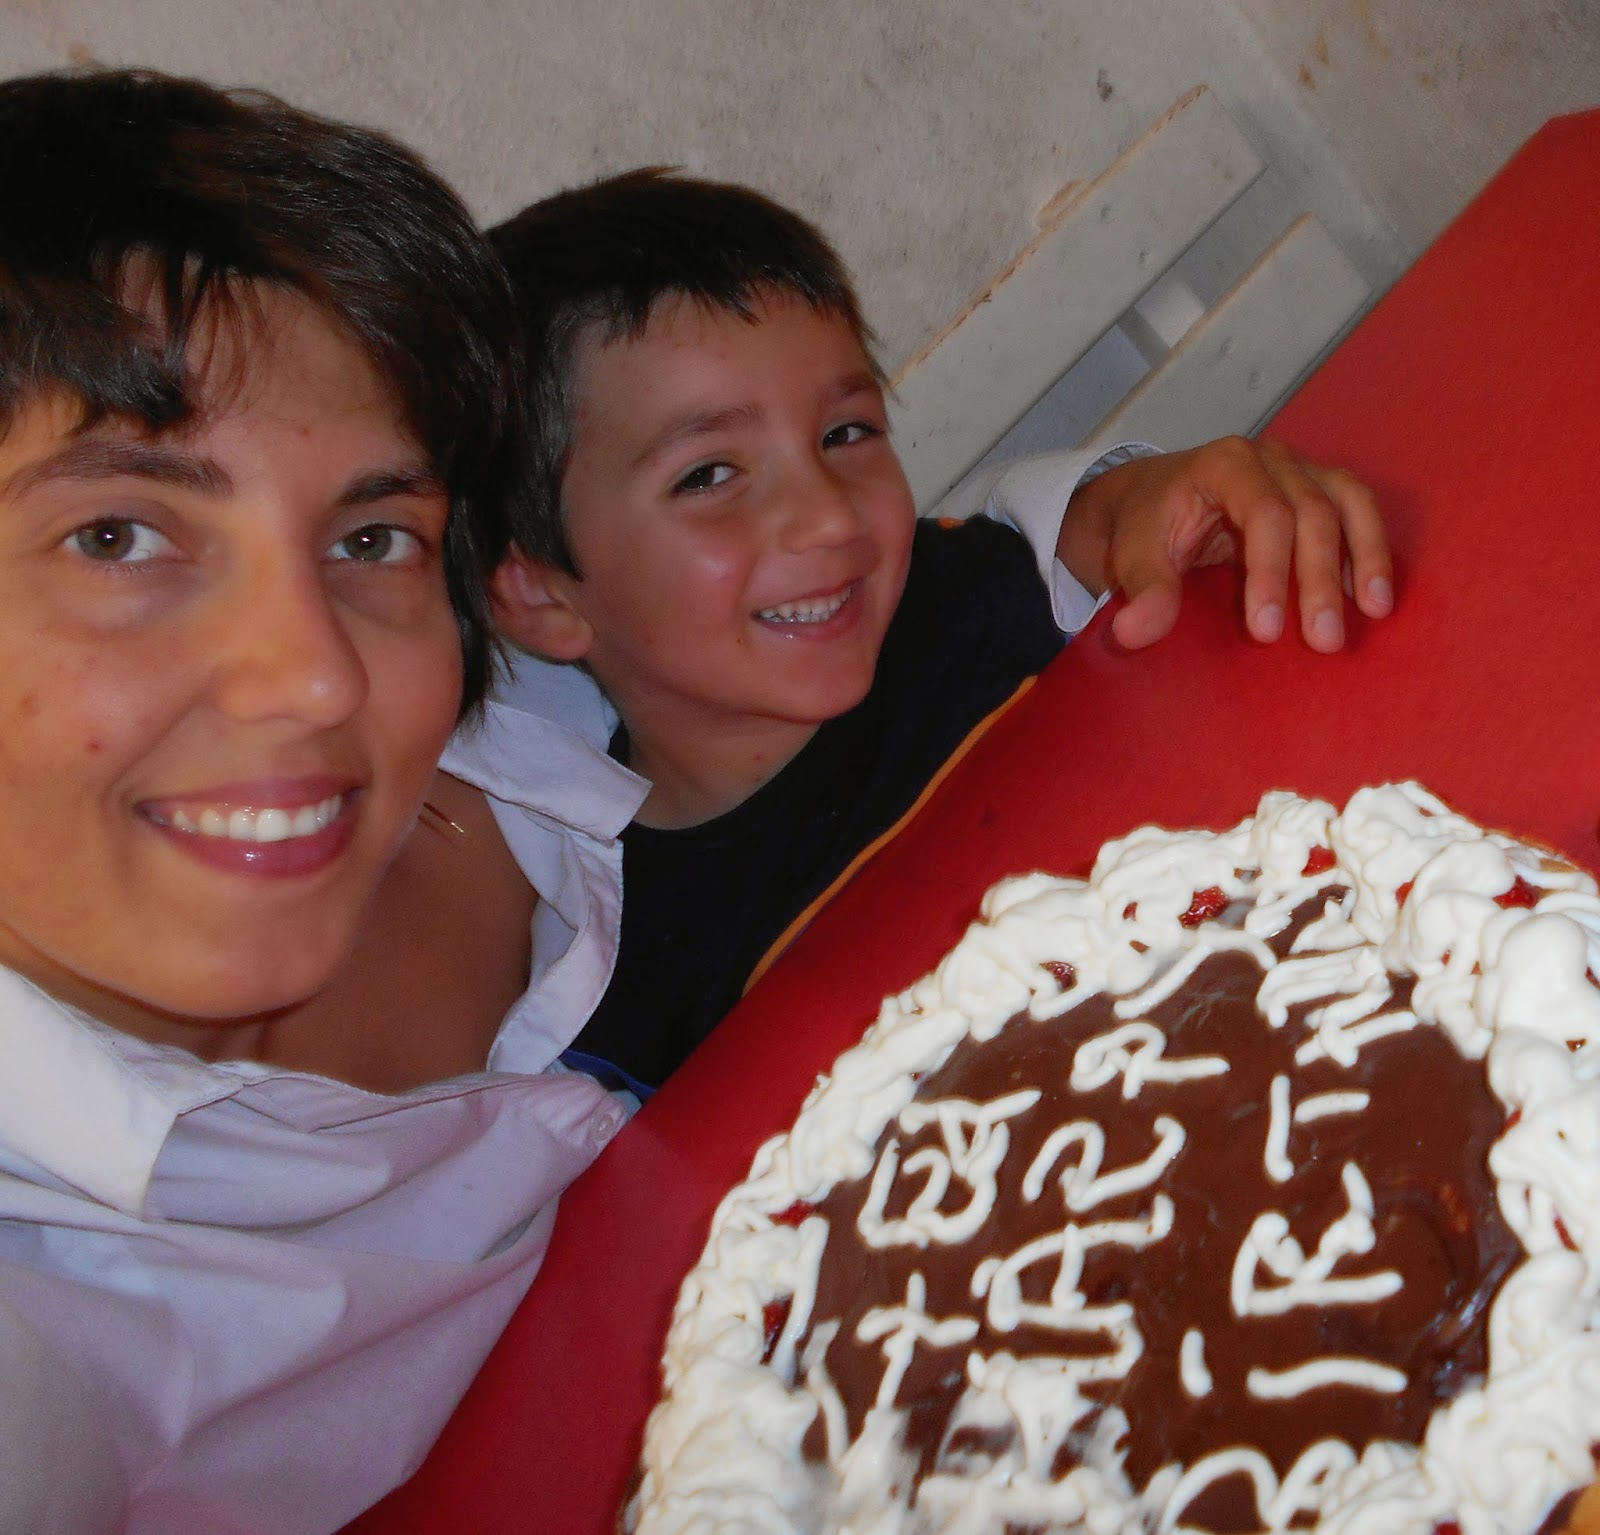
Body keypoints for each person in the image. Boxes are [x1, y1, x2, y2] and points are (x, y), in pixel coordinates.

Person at [0, 69, 647, 1533]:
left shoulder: (500, 748)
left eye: (368, 537)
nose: (313, 675)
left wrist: (1092, 503)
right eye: (117, 536)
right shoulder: (54, 1291)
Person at [487, 169, 1394, 1096]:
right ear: (540, 591)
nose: (829, 516)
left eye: (846, 432)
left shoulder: (988, 593)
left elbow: (1120, 537)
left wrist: (1157, 503)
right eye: (709, 475)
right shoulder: (623, 994)